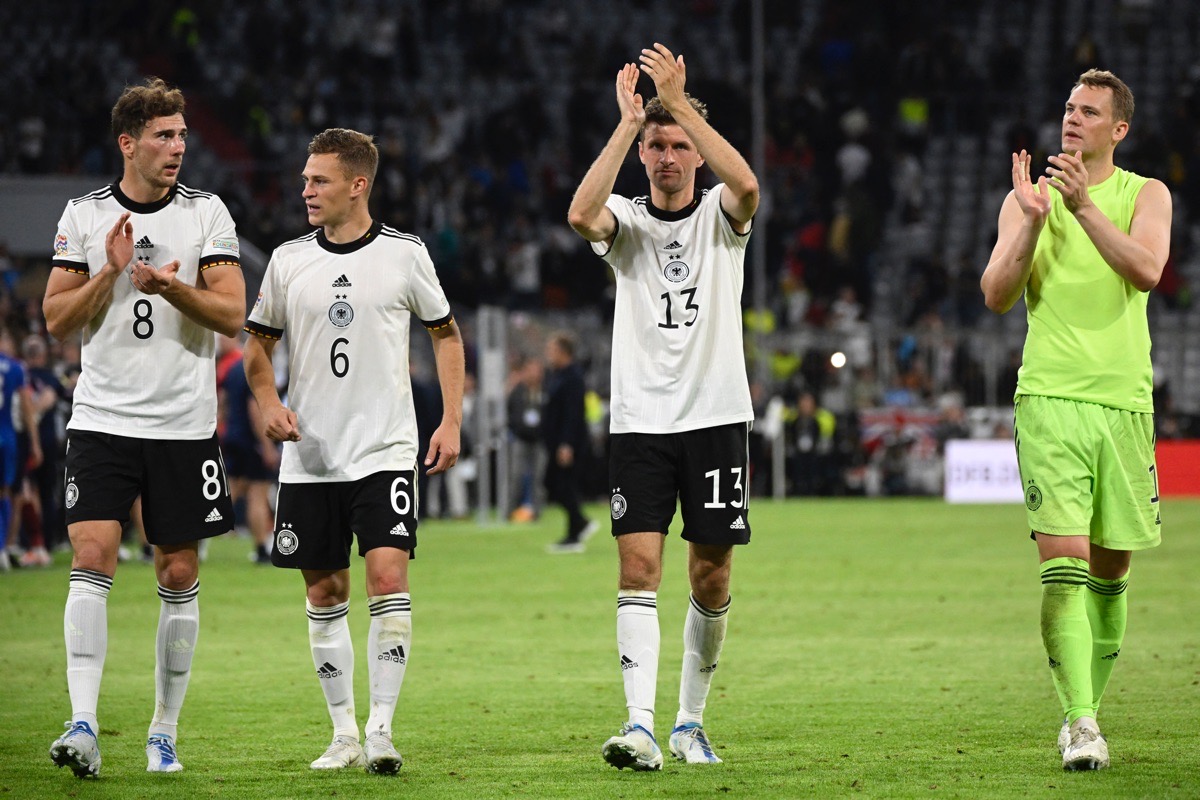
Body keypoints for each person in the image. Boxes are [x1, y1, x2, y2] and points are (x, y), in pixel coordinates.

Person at [243, 128, 463, 775]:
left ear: (357, 185)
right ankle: (342, 732)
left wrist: (450, 419)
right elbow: (257, 347)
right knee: (324, 589)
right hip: (311, 455)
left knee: (387, 575)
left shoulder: (404, 255)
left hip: (384, 448)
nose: (306, 190)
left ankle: (383, 731)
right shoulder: (287, 261)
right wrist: (267, 403)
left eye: (319, 180)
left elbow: (445, 335)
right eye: (306, 180)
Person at [42, 77, 244, 778]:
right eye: (164, 135)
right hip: (102, 418)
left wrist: (171, 285)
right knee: (92, 554)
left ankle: (163, 731)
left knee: (179, 569)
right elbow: (57, 319)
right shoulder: (85, 215)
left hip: (184, 426)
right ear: (128, 143)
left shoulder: (207, 214)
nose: (178, 147)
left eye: (183, 135)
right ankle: (84, 723)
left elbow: (232, 314)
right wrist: (113, 274)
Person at [567, 44, 759, 770]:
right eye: (657, 145)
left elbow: (748, 184)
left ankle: (689, 721)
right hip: (641, 420)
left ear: (695, 153)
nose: (669, 155)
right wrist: (627, 124)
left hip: (715, 416)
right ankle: (640, 726)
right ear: (642, 155)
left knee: (710, 576)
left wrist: (677, 103)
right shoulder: (626, 222)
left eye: (678, 144)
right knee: (637, 569)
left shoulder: (719, 215)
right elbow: (580, 212)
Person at [980, 69, 1171, 772]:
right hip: (1050, 400)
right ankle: (1081, 722)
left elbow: (1148, 269)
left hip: (1123, 404)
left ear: (1117, 130)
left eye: (1088, 112)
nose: (1072, 119)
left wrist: (1084, 209)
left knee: (1113, 571)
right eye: (1067, 107)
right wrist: (1031, 222)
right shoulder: (1024, 200)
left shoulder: (1145, 194)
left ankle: (1088, 705)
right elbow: (997, 293)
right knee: (1066, 566)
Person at [217, 335, 278, 564]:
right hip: (251, 440)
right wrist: (267, 446)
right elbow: (255, 409)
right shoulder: (255, 368)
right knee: (257, 493)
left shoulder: (231, 368)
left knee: (231, 489)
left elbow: (222, 403)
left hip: (232, 435)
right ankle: (262, 548)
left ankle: (199, 534)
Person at [542, 331, 597, 552]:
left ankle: (575, 532)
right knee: (555, 484)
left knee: (563, 485)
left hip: (568, 444)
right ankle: (579, 524)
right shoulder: (557, 375)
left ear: (563, 352)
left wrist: (567, 443)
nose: (549, 355)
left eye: (552, 350)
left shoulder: (573, 377)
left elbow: (573, 413)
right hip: (556, 443)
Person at [0, 328, 42, 570]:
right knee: (7, 493)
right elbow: (26, 408)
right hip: (7, 436)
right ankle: (4, 548)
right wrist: (35, 442)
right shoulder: (16, 368)